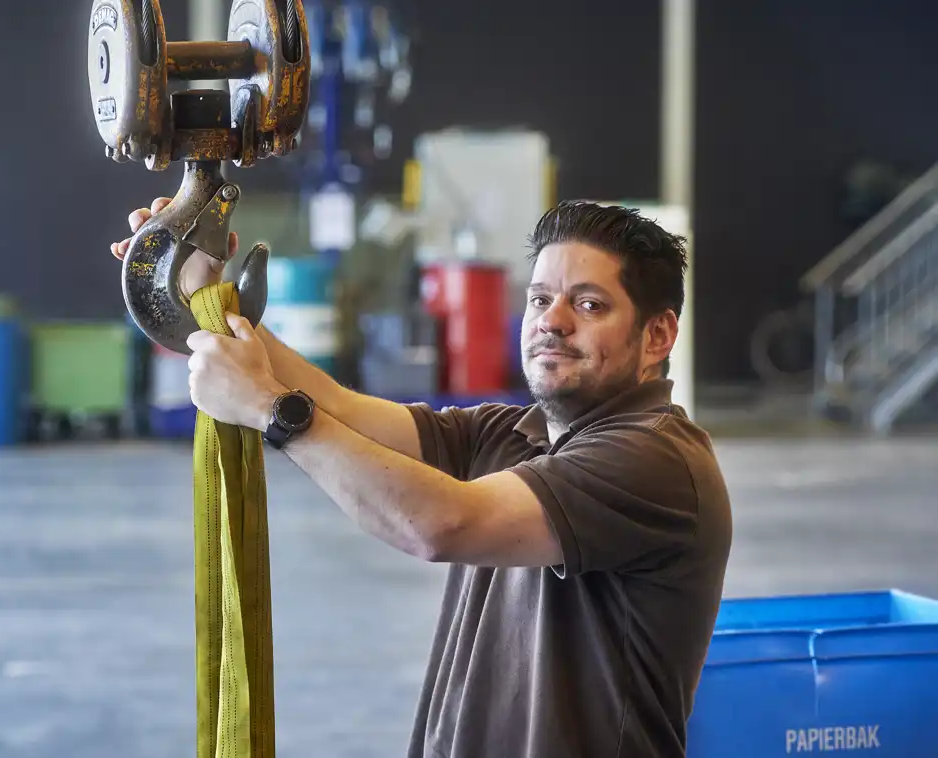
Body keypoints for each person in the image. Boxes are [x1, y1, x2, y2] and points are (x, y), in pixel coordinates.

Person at [112, 199, 733, 758]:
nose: (554, 321)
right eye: (540, 299)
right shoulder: (509, 434)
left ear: (658, 335)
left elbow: (442, 524)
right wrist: (202, 292)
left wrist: (270, 413)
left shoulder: (655, 460)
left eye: (589, 304)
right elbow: (336, 406)